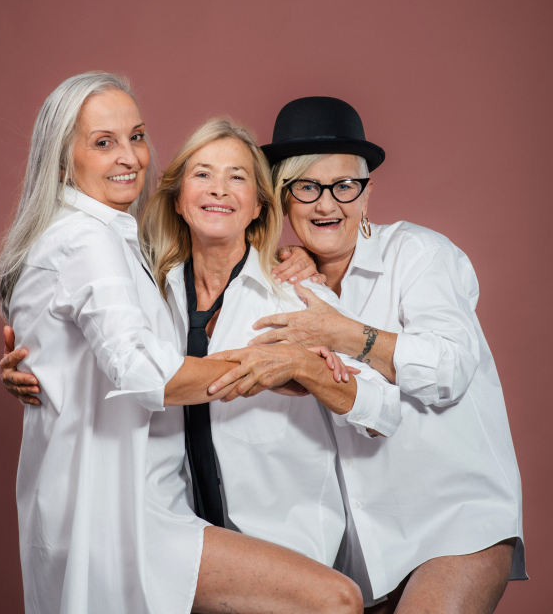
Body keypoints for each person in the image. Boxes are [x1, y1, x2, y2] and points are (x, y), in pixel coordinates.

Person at [0, 73, 364, 614]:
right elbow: (147, 373)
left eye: (137, 136)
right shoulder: (88, 239)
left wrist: (296, 369)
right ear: (61, 157)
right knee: (333, 601)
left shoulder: (136, 256)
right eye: (103, 142)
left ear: (260, 202)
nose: (128, 156)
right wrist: (270, 362)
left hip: (167, 507)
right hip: (126, 508)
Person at [238, 95, 525, 613]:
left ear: (367, 195)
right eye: (308, 187)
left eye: (346, 186)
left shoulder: (419, 254)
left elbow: (448, 369)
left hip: (456, 524)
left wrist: (344, 332)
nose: (328, 204)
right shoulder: (285, 284)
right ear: (282, 199)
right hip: (356, 553)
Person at [140, 117, 400, 571]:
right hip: (179, 547)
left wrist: (304, 366)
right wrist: (31, 369)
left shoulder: (299, 295)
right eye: (202, 174)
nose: (219, 189)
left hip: (292, 550)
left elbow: (385, 412)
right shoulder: (146, 298)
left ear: (259, 205)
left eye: (237, 177)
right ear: (179, 199)